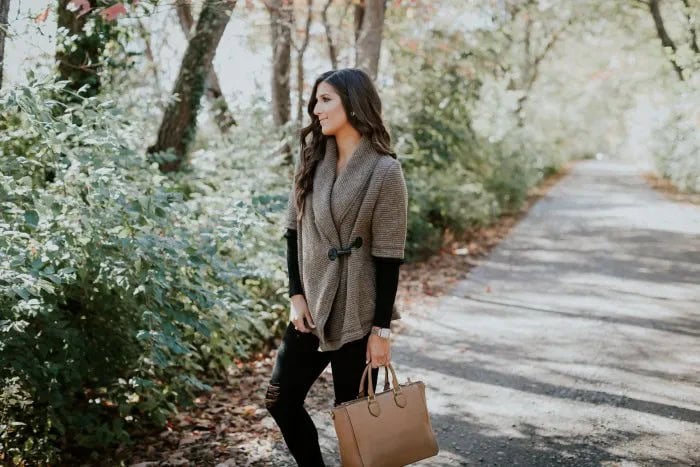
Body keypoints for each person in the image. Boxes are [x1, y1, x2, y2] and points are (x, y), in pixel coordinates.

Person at [264, 68, 408, 466]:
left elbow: (389, 254)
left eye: (325, 99)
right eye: (315, 100)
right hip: (310, 307)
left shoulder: (385, 171)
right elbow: (292, 232)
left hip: (358, 313)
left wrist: (381, 330)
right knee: (280, 399)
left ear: (353, 103)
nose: (316, 108)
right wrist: (295, 296)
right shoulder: (312, 158)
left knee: (356, 425)